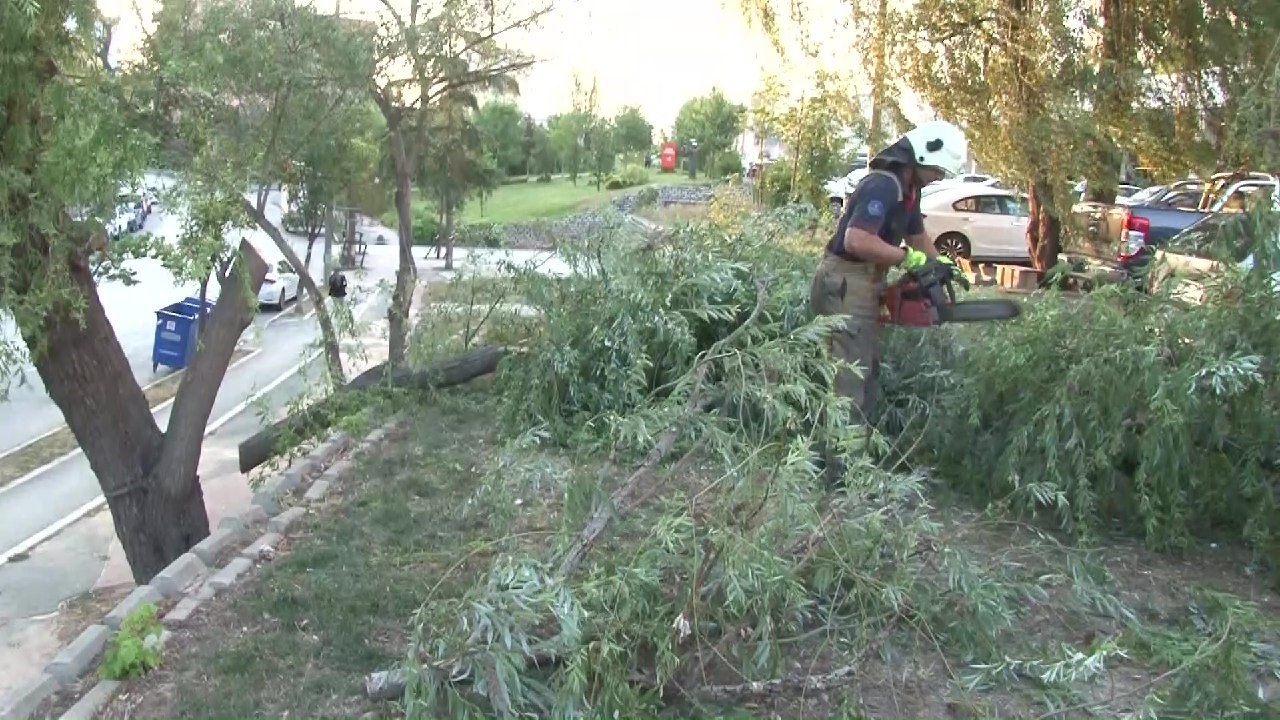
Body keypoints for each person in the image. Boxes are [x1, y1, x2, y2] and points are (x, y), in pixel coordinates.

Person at [810, 119, 968, 485]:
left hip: (865, 281)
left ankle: (845, 461)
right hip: (846, 280)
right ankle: (840, 474)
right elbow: (856, 240)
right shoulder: (882, 184)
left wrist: (937, 263)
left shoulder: (908, 190)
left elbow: (917, 235)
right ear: (922, 155)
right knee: (850, 379)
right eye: (936, 169)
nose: (937, 176)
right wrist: (906, 260)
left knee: (863, 374)